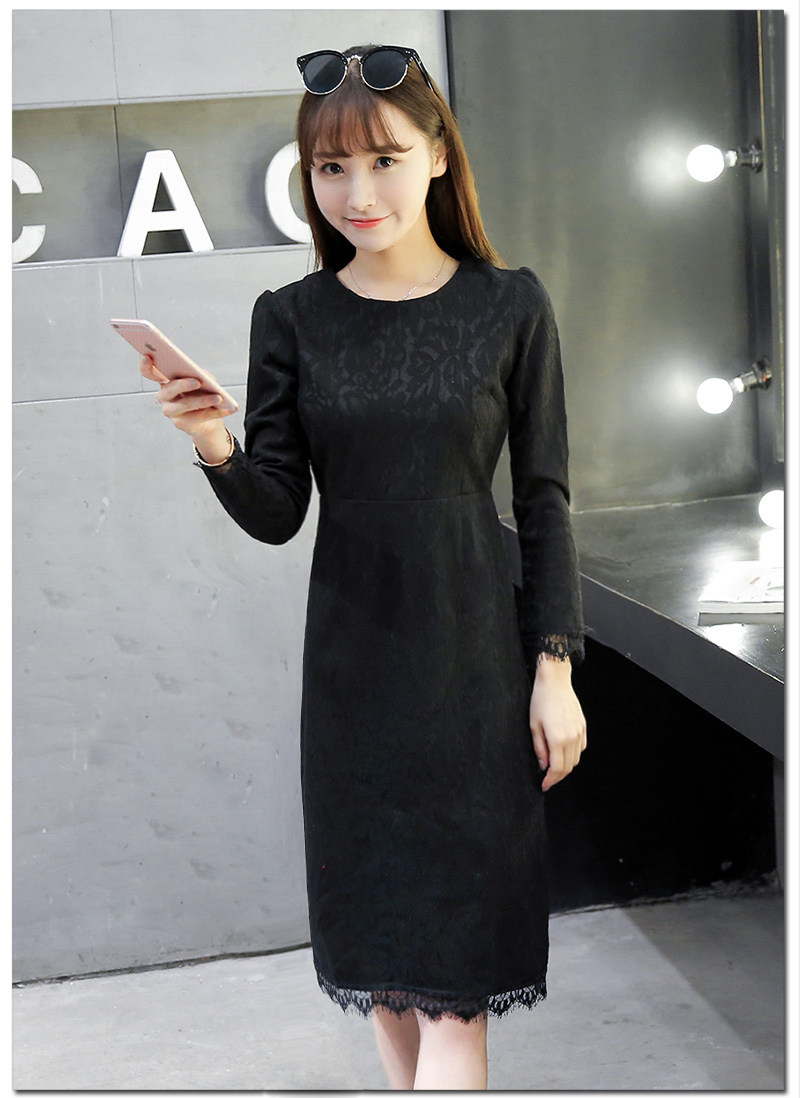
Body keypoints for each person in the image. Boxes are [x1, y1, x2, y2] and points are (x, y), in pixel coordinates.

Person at [140, 43, 587, 1092]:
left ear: (439, 155)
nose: (358, 192)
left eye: (383, 160)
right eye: (331, 168)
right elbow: (276, 512)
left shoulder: (509, 305)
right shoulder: (291, 318)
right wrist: (212, 441)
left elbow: (544, 500)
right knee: (387, 979)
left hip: (474, 677)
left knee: (455, 994)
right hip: (352, 691)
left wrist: (555, 668)